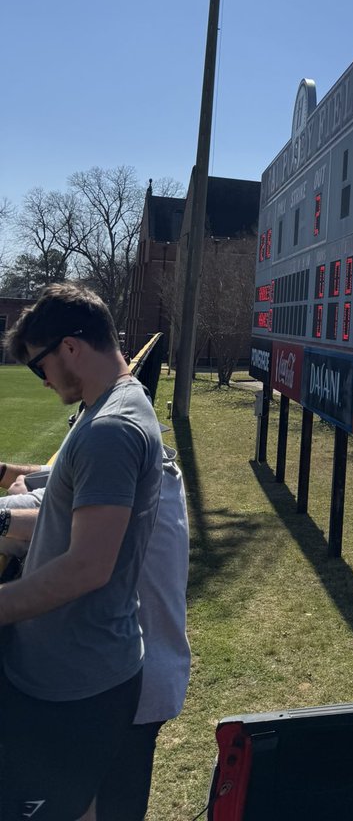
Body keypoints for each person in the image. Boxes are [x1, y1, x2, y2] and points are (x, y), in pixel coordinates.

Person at [1, 283, 164, 821]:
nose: (43, 381)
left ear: (70, 348)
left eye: (38, 367)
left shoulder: (110, 429)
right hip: (81, 673)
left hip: (72, 684)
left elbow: (88, 566)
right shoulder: (114, 405)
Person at [0, 435, 191, 820]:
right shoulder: (137, 447)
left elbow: (50, 515)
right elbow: (48, 479)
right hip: (135, 678)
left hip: (116, 687)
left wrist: (6, 515)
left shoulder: (114, 450)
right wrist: (8, 474)